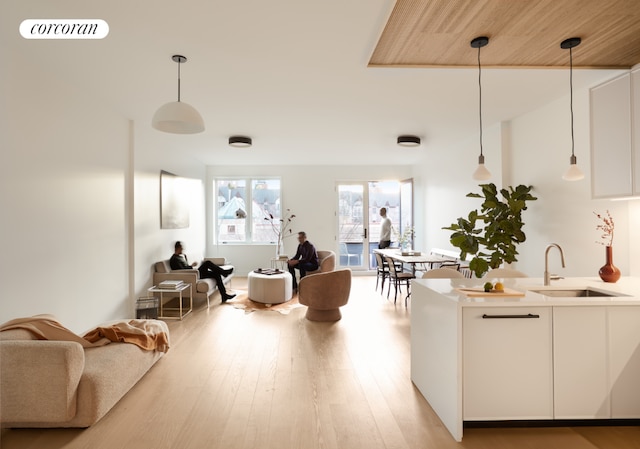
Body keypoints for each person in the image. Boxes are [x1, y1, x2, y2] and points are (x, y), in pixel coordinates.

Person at [169, 241, 236, 302]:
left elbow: (185, 267)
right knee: (207, 263)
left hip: (194, 272)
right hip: (193, 275)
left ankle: (224, 296)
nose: (183, 249)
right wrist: (191, 266)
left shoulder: (180, 257)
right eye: (182, 248)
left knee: (216, 274)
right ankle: (224, 272)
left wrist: (191, 266)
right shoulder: (174, 259)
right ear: (177, 248)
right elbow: (182, 271)